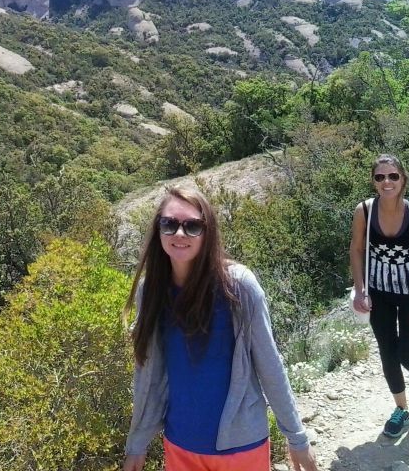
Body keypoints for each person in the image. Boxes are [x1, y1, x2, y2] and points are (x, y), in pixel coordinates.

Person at [123, 186, 319, 471]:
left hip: (241, 446)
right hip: (181, 444)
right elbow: (148, 373)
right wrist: (137, 443)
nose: (179, 234)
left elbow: (270, 365)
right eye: (169, 224)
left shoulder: (238, 286)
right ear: (158, 229)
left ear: (208, 231)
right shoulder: (151, 291)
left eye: (192, 226)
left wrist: (296, 438)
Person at [349, 154, 409, 438]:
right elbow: (357, 250)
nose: (387, 182)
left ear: (403, 180)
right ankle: (401, 410)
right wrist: (360, 290)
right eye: (380, 177)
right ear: (374, 182)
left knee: (408, 353)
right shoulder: (364, 211)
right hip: (379, 293)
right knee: (387, 353)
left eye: (393, 176)